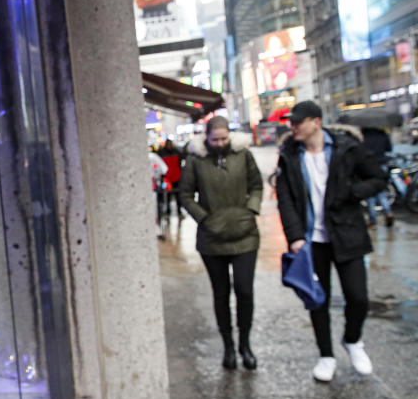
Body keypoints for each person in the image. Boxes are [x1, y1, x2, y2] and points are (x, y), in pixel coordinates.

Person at [276, 101, 387, 382]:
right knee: (317, 301)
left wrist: (352, 192)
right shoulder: (289, 154)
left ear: (316, 122)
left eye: (298, 122)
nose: (293, 127)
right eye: (291, 122)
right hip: (312, 242)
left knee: (358, 297)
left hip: (347, 233)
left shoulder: (346, 147)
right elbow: (286, 198)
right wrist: (295, 237)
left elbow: (378, 178)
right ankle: (326, 355)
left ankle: (353, 340)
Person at [180, 117, 263, 370]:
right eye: (214, 139)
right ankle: (228, 346)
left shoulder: (243, 155)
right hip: (211, 237)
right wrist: (204, 218)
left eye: (223, 138)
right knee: (221, 293)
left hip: (245, 233)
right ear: (206, 138)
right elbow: (185, 194)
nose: (219, 143)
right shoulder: (195, 161)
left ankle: (245, 344)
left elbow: (257, 186)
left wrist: (249, 211)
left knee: (244, 290)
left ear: (230, 136)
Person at [360, 126, 394, 227]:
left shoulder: (363, 136)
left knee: (370, 192)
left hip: (368, 165)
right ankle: (388, 212)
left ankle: (372, 218)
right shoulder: (383, 135)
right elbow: (389, 148)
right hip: (381, 164)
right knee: (380, 190)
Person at [159, 139, 184, 219]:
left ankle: (179, 211)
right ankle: (168, 212)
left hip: (177, 178)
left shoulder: (177, 152)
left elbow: (180, 163)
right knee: (167, 196)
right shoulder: (162, 153)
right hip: (167, 179)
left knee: (178, 196)